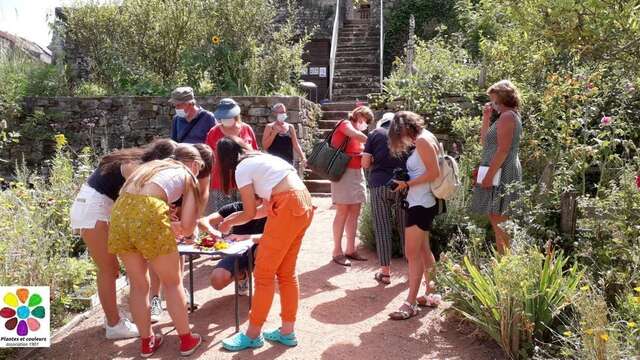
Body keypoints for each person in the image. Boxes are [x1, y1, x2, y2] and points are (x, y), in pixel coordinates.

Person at [69, 139, 177, 339]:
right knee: (108, 270)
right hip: (94, 210)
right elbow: (138, 199)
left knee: (112, 270)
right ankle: (114, 325)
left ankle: (114, 318)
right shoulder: (134, 166)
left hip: (100, 208)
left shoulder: (137, 160)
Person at [214, 137, 314, 352]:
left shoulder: (242, 168)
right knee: (286, 273)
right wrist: (231, 220)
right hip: (302, 203)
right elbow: (264, 209)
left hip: (288, 205)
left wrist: (230, 221)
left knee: (264, 274)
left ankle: (252, 335)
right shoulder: (263, 159)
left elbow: (250, 213)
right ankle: (287, 332)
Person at [108, 144, 205, 357]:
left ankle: (147, 342)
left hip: (119, 212)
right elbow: (188, 226)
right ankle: (187, 340)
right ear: (195, 164)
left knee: (138, 284)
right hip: (148, 213)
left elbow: (138, 202)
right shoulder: (188, 174)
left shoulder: (152, 167)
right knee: (172, 282)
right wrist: (186, 234)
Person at [386, 111, 442, 320]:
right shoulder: (428, 136)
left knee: (412, 253)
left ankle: (410, 303)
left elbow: (433, 173)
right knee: (424, 250)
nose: (400, 140)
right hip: (423, 201)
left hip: (421, 202)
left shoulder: (423, 141)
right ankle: (431, 293)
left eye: (398, 134)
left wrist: (407, 184)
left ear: (404, 128)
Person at [148, 143, 213, 323]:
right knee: (156, 255)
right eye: (198, 168)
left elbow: (202, 195)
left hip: (179, 209)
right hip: (158, 208)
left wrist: (193, 225)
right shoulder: (174, 162)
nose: (199, 173)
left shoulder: (199, 170)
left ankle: (179, 293)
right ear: (193, 163)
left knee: (180, 251)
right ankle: (155, 300)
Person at [470, 80, 523, 254]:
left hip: (503, 171)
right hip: (499, 171)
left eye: (494, 100)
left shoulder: (508, 116)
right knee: (496, 218)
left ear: (503, 98)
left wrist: (487, 176)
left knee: (500, 220)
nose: (493, 104)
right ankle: (504, 263)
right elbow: (485, 142)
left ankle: (505, 265)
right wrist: (486, 117)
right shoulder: (504, 116)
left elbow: (503, 150)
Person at [361, 112, 407, 285]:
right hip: (402, 186)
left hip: (380, 185)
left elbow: (365, 163)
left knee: (382, 227)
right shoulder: (405, 134)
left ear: (382, 122)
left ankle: (385, 273)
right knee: (406, 228)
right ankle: (412, 270)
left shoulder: (374, 134)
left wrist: (377, 164)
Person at [330, 106, 373, 267]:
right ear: (356, 115)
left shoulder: (360, 133)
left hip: (357, 173)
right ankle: (337, 251)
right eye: (363, 119)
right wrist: (375, 140)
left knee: (355, 212)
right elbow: (355, 135)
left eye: (367, 121)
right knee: (342, 212)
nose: (364, 122)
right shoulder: (345, 124)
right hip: (343, 173)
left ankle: (350, 249)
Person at [198, 201, 267, 295]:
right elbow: (203, 221)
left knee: (262, 256)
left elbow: (278, 237)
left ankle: (265, 292)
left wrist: (247, 237)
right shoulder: (235, 208)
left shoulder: (272, 207)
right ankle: (243, 276)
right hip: (239, 252)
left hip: (262, 248)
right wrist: (212, 231)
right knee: (217, 280)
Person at [205, 98, 258, 213]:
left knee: (245, 215)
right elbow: (208, 158)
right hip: (220, 183)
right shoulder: (213, 132)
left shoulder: (247, 129)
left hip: (244, 181)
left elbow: (255, 153)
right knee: (221, 216)